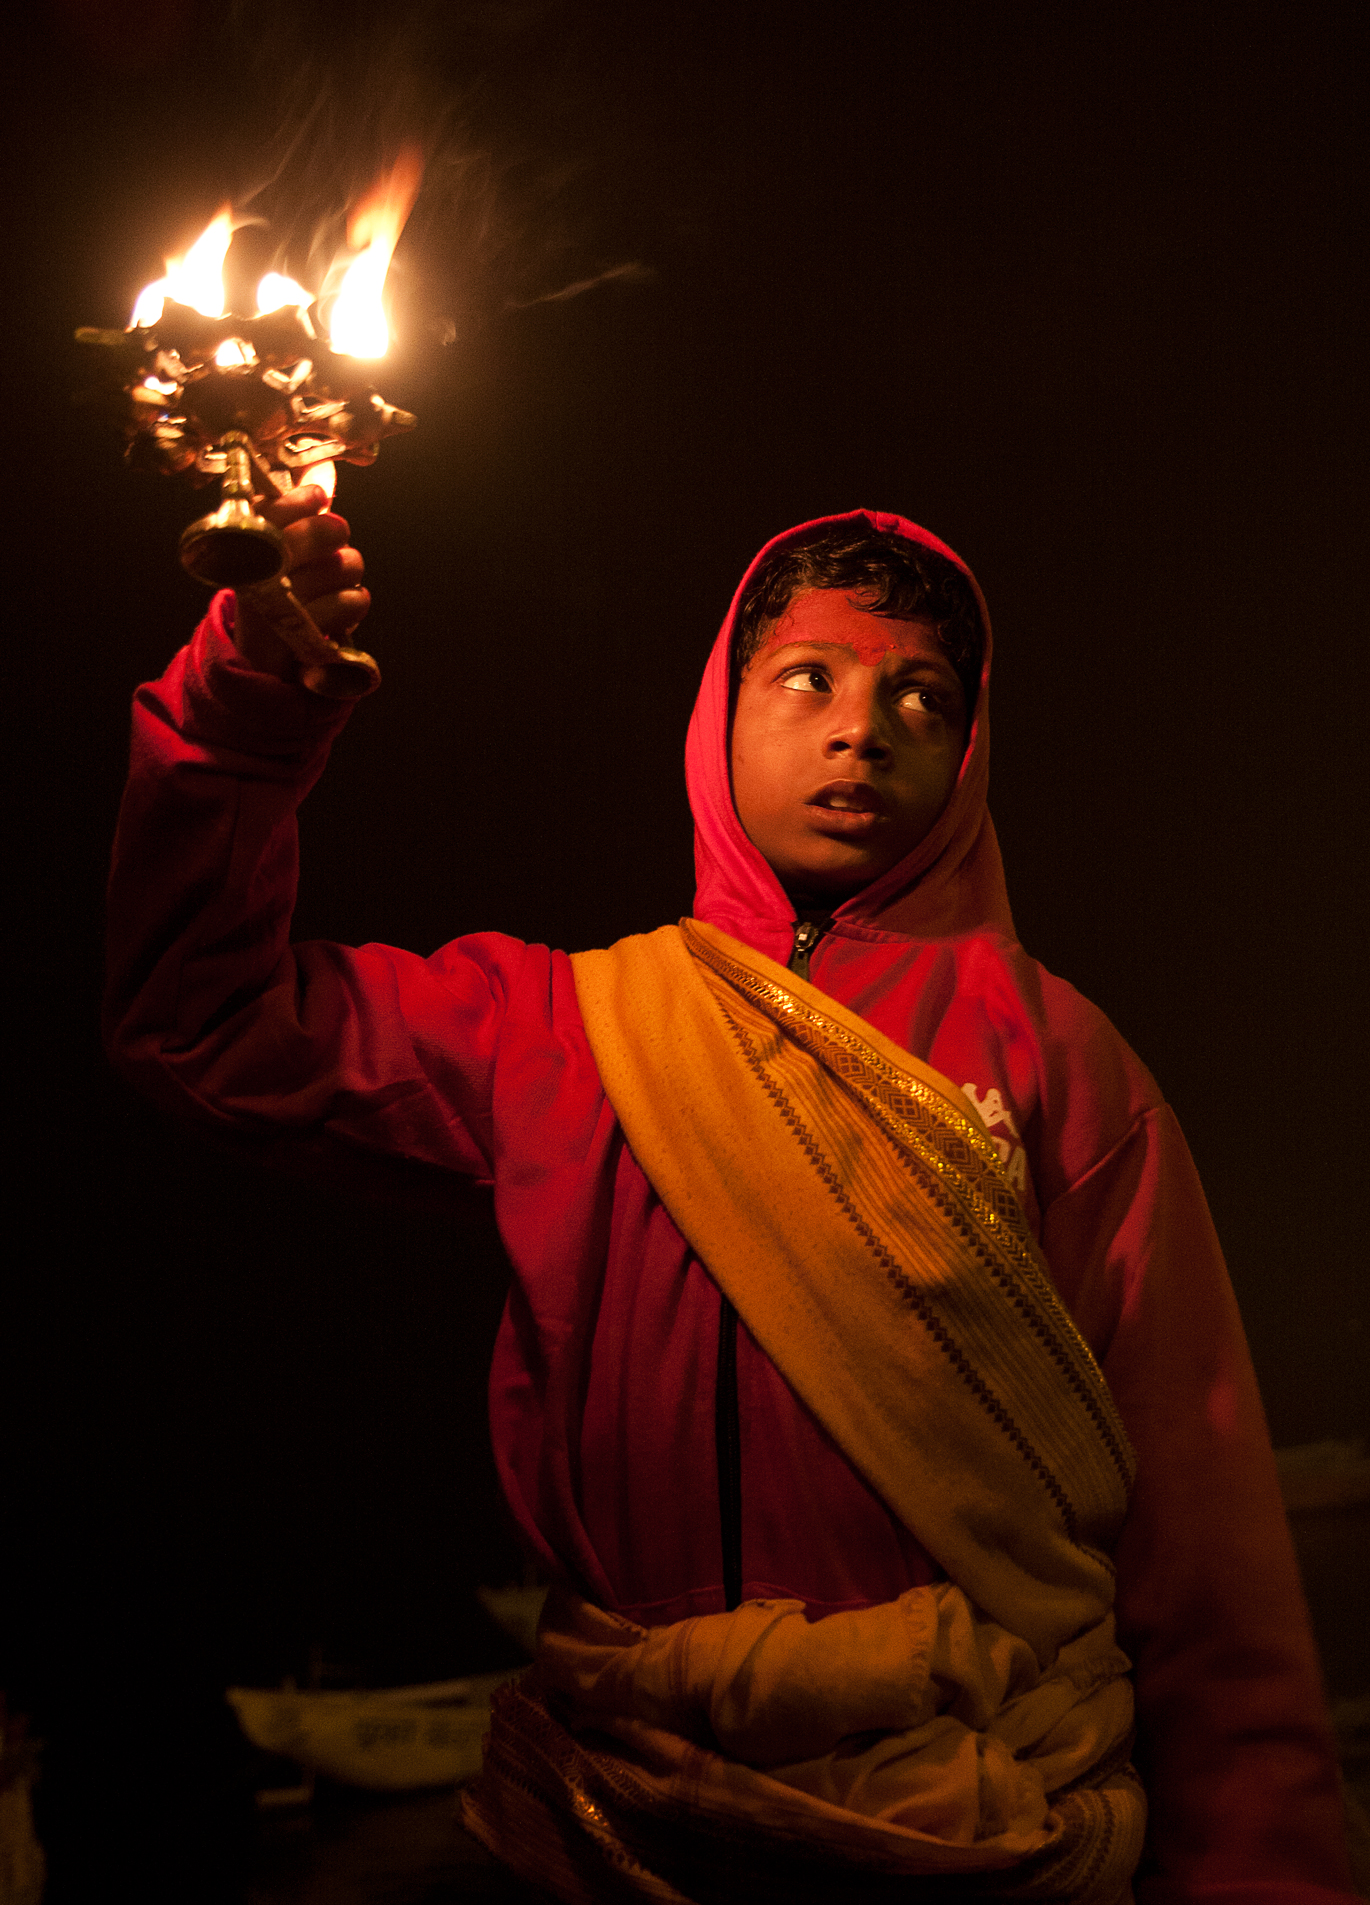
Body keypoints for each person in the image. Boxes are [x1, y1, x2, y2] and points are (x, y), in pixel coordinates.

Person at [105, 491, 1355, 1904]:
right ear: (721, 716)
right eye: (807, 679)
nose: (861, 728)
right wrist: (250, 704)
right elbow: (203, 1025)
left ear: (965, 753)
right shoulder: (570, 1032)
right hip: (623, 1815)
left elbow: (1205, 1536)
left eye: (921, 697)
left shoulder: (1061, 1066)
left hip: (988, 1825)